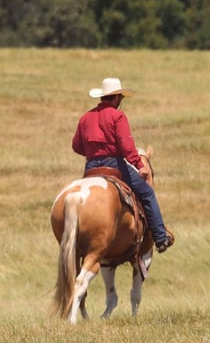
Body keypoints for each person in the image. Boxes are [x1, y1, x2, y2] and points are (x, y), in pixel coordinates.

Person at [72, 77, 174, 253]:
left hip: (90, 168)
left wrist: (93, 153)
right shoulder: (118, 116)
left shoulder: (85, 117)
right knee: (147, 193)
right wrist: (138, 165)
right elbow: (126, 145)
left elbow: (76, 146)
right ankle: (160, 237)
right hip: (114, 165)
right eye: (121, 98)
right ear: (117, 97)